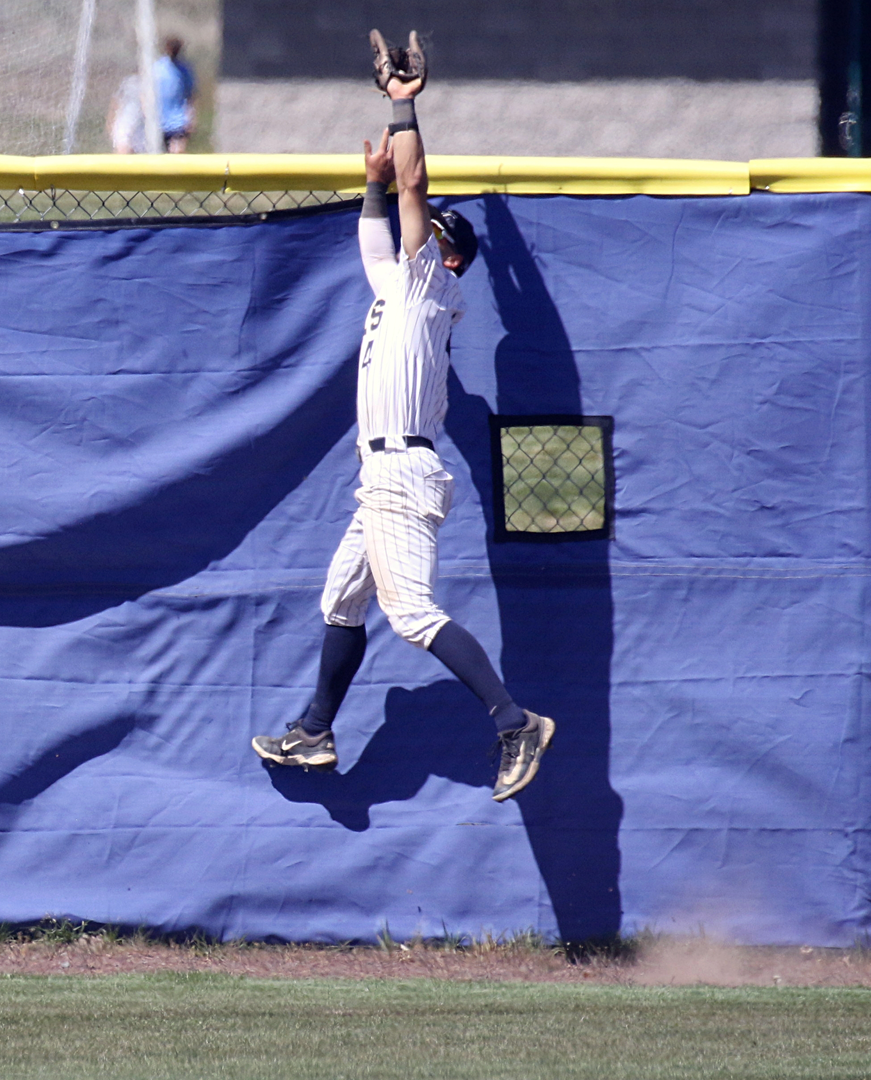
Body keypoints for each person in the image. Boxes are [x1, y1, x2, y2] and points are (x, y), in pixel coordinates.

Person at [251, 31, 556, 802]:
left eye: (435, 236)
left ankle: (513, 721)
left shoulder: (428, 291)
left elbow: (416, 193)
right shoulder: (399, 288)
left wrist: (402, 105)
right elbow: (374, 232)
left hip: (399, 470)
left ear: (448, 259)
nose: (421, 235)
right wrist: (374, 185)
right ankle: (316, 732)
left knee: (412, 613)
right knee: (342, 601)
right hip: (384, 472)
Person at [154, 36, 196, 153]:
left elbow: (190, 95)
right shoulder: (157, 68)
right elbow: (146, 92)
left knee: (177, 152)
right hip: (159, 120)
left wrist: (191, 116)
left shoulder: (185, 70)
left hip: (178, 120)